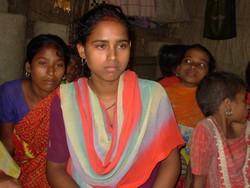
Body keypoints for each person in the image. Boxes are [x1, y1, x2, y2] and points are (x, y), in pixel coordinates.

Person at [46, 4, 184, 187]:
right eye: (101, 45)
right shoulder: (67, 101)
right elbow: (55, 168)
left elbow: (170, 162)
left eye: (121, 45)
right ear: (82, 50)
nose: (113, 56)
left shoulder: (152, 96)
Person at [0, 34, 69, 187]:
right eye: (43, 63)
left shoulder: (69, 100)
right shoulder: (10, 93)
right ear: (28, 66)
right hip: (16, 171)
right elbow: (7, 144)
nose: (51, 72)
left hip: (58, 172)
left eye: (58, 65)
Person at [164, 44, 216, 187]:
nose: (193, 66)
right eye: (187, 61)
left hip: (195, 159)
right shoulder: (162, 91)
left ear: (208, 74)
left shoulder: (211, 97)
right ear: (178, 68)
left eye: (201, 64)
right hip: (165, 156)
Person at [188, 71, 250, 187]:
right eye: (243, 99)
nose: (248, 105)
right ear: (228, 105)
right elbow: (198, 182)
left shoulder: (245, 128)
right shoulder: (206, 130)